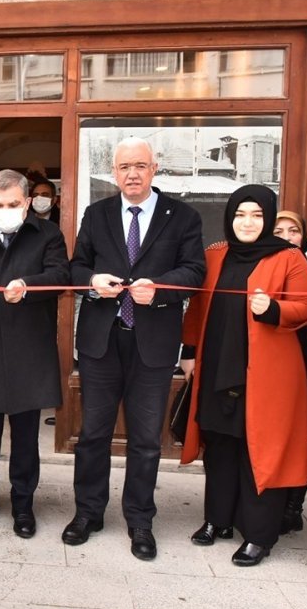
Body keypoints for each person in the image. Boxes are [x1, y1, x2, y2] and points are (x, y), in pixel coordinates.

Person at [66, 136, 205, 560]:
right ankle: (88, 512)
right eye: (124, 166)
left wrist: (160, 290)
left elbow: (195, 271)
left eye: (140, 166)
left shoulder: (182, 216)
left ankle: (140, 520)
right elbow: (76, 266)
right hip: (101, 342)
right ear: (114, 171)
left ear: (154, 168)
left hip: (154, 343)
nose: (132, 174)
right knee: (93, 435)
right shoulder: (97, 213)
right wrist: (91, 282)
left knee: (146, 440)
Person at [178, 185, 307, 567]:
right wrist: (188, 353)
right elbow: (196, 308)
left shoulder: (290, 258)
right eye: (241, 214)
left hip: (266, 374)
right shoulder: (215, 254)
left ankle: (258, 535)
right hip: (217, 366)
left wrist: (274, 309)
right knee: (220, 445)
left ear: (268, 218)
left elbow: (305, 309)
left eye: (256, 215)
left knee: (260, 451)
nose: (248, 222)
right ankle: (217, 520)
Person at [0, 169, 70, 539]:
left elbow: (60, 276)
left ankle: (23, 502)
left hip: (29, 345)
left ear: (26, 204)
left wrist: (28, 285)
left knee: (24, 433)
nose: (6, 210)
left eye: (14, 204)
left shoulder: (48, 234)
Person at [272, 209, 307, 535]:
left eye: (293, 231)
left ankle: (295, 505)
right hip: (277, 360)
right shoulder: (262, 264)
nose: (287, 236)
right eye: (279, 230)